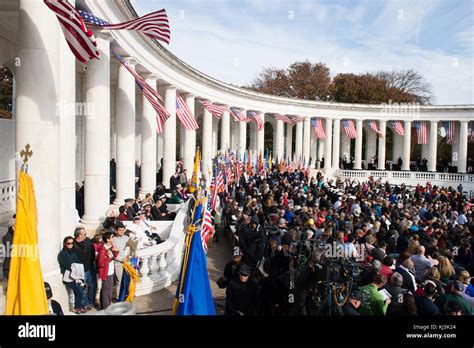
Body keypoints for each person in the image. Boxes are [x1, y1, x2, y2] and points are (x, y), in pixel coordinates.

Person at [57, 236, 86, 314]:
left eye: (72, 243)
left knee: (80, 291)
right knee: (79, 291)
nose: (70, 245)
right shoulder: (63, 254)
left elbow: (78, 262)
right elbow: (70, 265)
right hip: (68, 277)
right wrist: (76, 266)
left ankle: (79, 306)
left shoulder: (73, 251)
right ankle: (77, 307)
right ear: (64, 244)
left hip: (76, 275)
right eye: (68, 243)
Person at [73, 227, 96, 310]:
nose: (86, 236)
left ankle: (91, 301)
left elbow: (92, 253)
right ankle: (85, 303)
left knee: (92, 285)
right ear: (79, 235)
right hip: (81, 271)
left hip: (90, 267)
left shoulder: (88, 242)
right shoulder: (73, 245)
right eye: (84, 234)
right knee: (82, 288)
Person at [97, 232, 118, 309]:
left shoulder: (111, 246)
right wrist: (109, 258)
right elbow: (101, 263)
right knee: (107, 291)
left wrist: (116, 252)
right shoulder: (103, 250)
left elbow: (113, 257)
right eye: (112, 237)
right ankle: (106, 308)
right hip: (106, 273)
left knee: (107, 290)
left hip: (111, 271)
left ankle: (104, 306)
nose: (113, 238)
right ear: (108, 239)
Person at [113, 223, 130, 299]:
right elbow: (113, 254)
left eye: (123, 230)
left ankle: (127, 295)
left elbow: (130, 249)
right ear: (116, 230)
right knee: (119, 281)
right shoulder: (113, 239)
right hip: (118, 263)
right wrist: (122, 260)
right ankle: (118, 298)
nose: (122, 232)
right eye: (120, 230)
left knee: (127, 280)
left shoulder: (127, 238)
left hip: (128, 263)